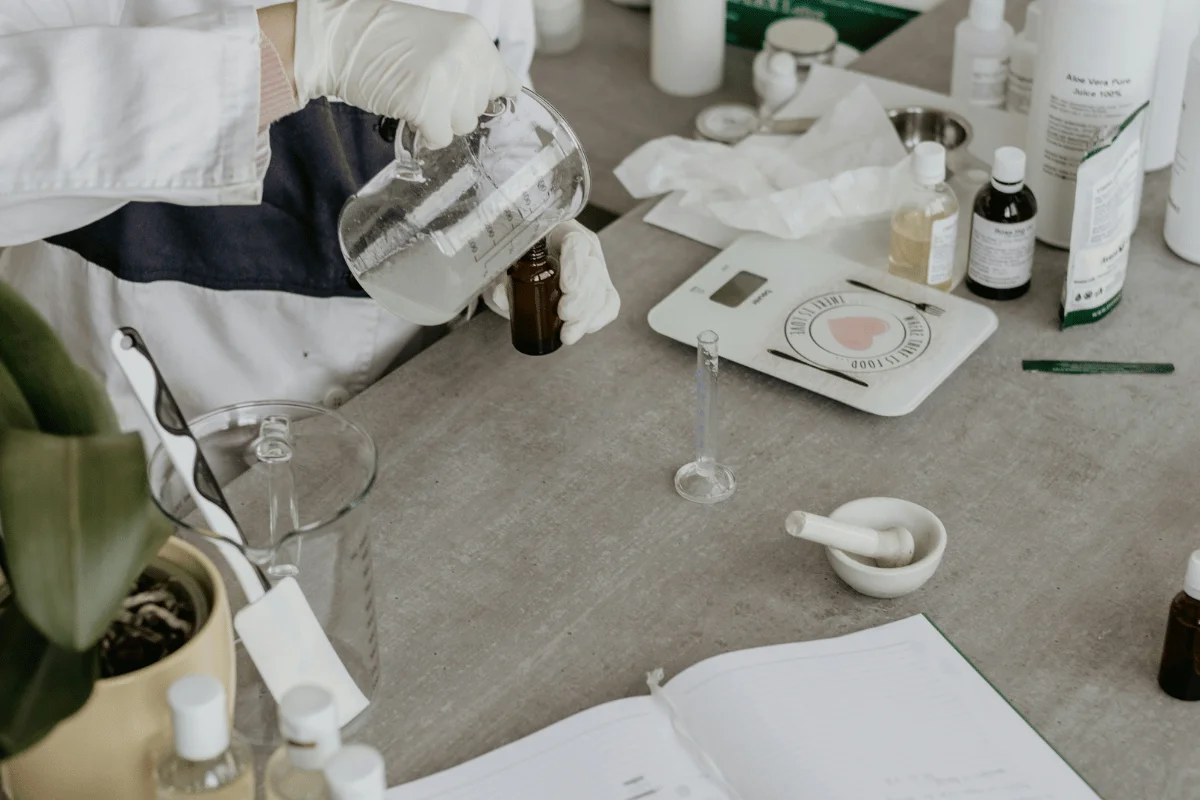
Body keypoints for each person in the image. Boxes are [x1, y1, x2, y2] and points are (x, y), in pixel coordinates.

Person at [0, 0, 620, 437]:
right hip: (155, 413)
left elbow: (495, 92)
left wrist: (517, 223)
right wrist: (293, 55)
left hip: (409, 400)